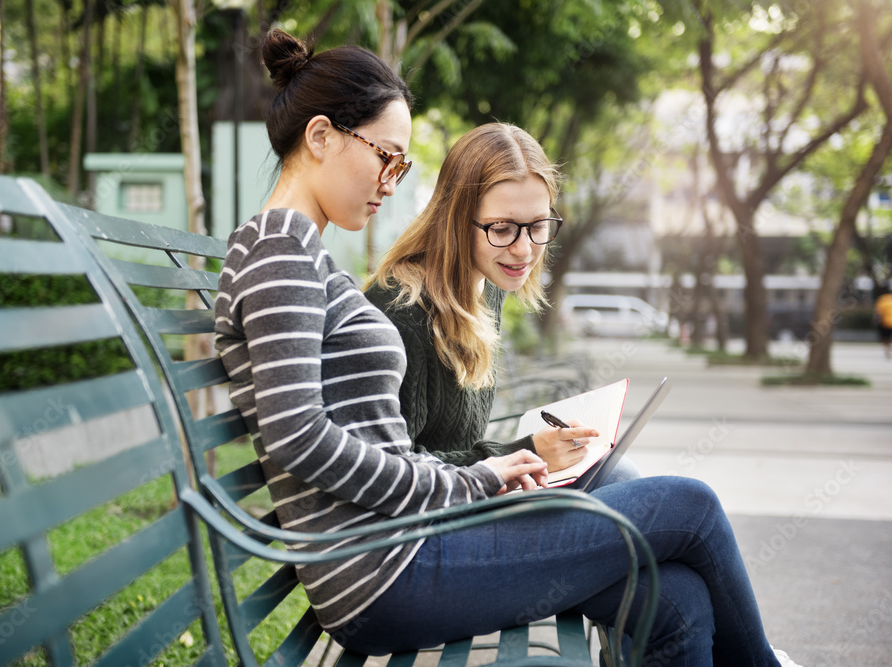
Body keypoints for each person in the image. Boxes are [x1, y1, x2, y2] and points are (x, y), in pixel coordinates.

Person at [214, 28, 800, 667]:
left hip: (408, 545)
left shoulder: (298, 252)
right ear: (321, 136)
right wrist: (479, 477)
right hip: (387, 572)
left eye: (402, 165)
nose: (391, 180)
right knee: (691, 504)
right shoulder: (279, 251)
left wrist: (487, 473)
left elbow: (343, 436)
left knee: (678, 598)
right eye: (386, 156)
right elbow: (299, 437)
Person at [363, 123, 640, 485]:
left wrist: (528, 456)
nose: (524, 249)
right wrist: (524, 453)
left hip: (473, 500)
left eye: (538, 225)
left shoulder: (486, 286)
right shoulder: (402, 313)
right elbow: (389, 470)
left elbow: (456, 444)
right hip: (431, 526)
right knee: (686, 504)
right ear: (457, 222)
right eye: (503, 228)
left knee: (617, 471)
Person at [875, 286, 892, 359]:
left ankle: (887, 351)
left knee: (885, 338)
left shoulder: (882, 299)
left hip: (885, 323)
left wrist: (876, 321)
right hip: (887, 322)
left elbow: (878, 313)